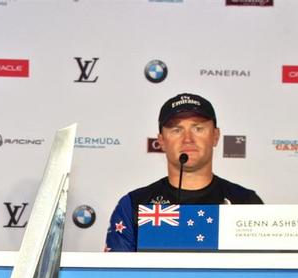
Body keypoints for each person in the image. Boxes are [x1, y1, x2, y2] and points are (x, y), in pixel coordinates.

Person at [105, 93, 262, 252]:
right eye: (176, 130)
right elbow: (117, 274)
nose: (188, 139)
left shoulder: (245, 202)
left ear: (215, 136)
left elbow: (263, 273)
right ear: (161, 141)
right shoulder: (134, 204)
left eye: (198, 128)